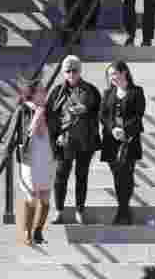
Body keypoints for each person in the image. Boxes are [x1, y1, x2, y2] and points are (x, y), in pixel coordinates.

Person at [45, 55, 101, 225]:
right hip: (65, 141)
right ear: (63, 73)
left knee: (81, 176)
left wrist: (86, 109)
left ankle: (80, 211)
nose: (71, 74)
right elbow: (50, 116)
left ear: (80, 71)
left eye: (74, 70)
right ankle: (59, 211)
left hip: (85, 139)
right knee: (61, 176)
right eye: (67, 71)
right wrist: (56, 135)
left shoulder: (90, 89)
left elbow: (100, 110)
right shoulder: (57, 91)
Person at [99, 60, 146, 225]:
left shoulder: (136, 92)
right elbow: (103, 115)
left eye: (114, 73)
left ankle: (122, 211)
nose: (112, 77)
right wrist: (113, 129)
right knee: (118, 176)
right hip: (111, 141)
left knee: (127, 175)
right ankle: (123, 209)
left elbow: (138, 115)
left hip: (129, 140)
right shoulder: (107, 93)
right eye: (110, 75)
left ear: (124, 72)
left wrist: (124, 130)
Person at [14, 75, 55, 245]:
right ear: (32, 93)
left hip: (47, 156)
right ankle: (27, 233)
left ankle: (38, 231)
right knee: (32, 196)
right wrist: (7, 150)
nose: (45, 93)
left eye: (45, 90)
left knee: (45, 197)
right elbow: (14, 131)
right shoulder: (23, 110)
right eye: (41, 90)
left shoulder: (49, 110)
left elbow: (57, 129)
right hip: (30, 158)